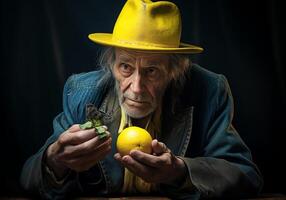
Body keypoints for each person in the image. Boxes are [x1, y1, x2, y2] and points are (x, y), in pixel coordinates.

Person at [20, 0, 263, 199]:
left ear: (174, 71)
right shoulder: (82, 91)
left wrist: (178, 172)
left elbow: (245, 177)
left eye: (152, 71)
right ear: (112, 64)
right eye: (125, 67)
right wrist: (55, 160)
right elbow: (28, 180)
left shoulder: (209, 90)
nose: (136, 88)